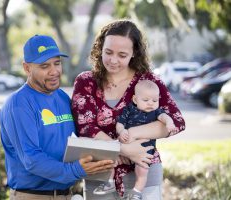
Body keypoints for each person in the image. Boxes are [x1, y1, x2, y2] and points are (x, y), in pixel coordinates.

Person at [0, 34, 153, 200]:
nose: (54, 71)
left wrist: (112, 153)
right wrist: (77, 170)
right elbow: (32, 159)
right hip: (33, 195)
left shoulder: (62, 98)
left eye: (57, 63)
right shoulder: (19, 104)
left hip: (65, 194)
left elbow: (80, 139)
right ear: (27, 68)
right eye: (44, 66)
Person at [71, 19, 185, 200]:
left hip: (144, 173)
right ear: (100, 48)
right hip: (100, 174)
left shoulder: (149, 82)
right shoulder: (86, 82)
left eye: (122, 55)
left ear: (134, 53)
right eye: (108, 52)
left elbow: (176, 121)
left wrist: (132, 133)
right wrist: (122, 149)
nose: (113, 60)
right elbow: (85, 127)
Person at [93, 80, 178, 199]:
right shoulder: (129, 110)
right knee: (111, 161)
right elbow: (120, 123)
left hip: (144, 153)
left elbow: (165, 117)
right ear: (135, 100)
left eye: (155, 100)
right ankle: (109, 183)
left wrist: (169, 123)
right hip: (123, 150)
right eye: (146, 100)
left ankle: (137, 191)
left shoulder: (156, 113)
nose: (150, 103)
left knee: (143, 171)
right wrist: (121, 131)